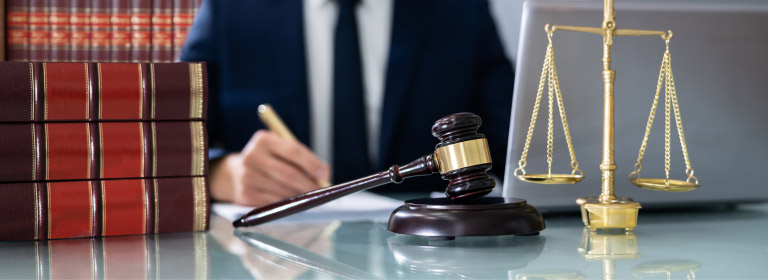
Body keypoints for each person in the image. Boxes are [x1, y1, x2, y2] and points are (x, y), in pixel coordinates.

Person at [181, 0, 515, 207]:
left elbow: (519, 149)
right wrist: (222, 174)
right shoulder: (232, 8)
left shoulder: (461, 9)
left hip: (426, 251)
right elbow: (173, 145)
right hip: (276, 254)